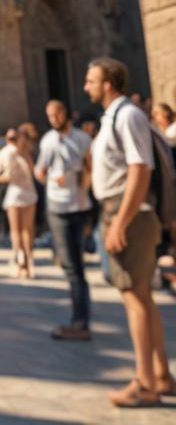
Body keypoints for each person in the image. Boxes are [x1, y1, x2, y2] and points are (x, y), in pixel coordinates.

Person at [85, 57, 173, 408]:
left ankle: (145, 384)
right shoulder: (115, 117)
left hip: (129, 214)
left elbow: (140, 168)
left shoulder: (128, 115)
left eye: (91, 80)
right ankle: (161, 375)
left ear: (108, 83)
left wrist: (120, 222)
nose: (85, 86)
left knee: (134, 299)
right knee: (142, 298)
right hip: (124, 211)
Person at [35, 100, 93, 339]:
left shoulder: (81, 138)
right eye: (50, 115)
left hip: (79, 205)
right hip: (57, 206)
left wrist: (83, 180)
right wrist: (51, 179)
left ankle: (81, 320)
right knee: (70, 265)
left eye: (57, 113)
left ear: (66, 113)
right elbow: (39, 171)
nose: (54, 118)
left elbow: (91, 167)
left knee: (77, 265)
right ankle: (80, 318)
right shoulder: (48, 140)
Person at [0, 128, 37, 278]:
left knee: (23, 231)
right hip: (19, 193)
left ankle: (24, 262)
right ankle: (22, 262)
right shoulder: (10, 153)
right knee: (21, 231)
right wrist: (10, 177)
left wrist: (9, 177)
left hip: (24, 193)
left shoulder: (21, 154)